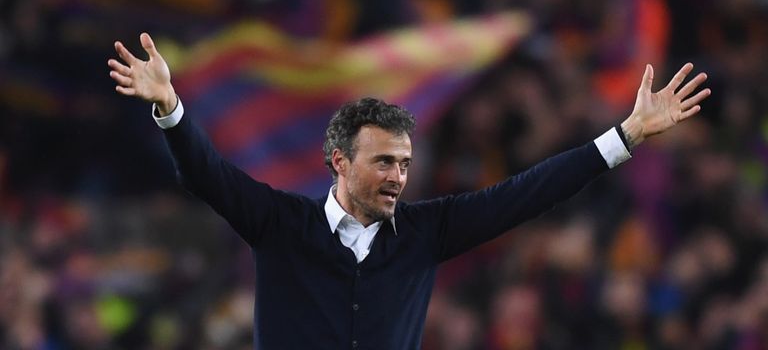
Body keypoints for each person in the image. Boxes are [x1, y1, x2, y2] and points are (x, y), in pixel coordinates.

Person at [107, 32, 710, 349]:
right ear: (339, 162)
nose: (399, 175)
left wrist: (625, 135)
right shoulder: (278, 224)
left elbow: (528, 192)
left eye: (405, 162)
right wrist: (171, 107)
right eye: (385, 162)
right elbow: (207, 174)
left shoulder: (429, 233)